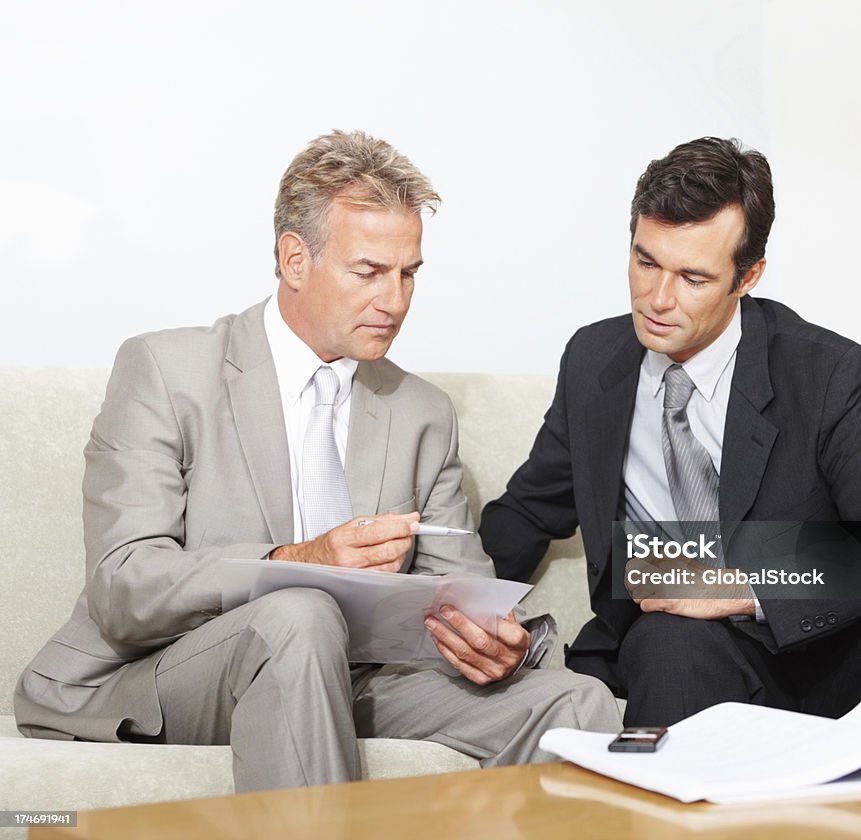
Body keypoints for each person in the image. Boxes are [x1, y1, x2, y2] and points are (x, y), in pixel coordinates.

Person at [14, 130, 620, 791]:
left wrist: (499, 642)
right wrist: (299, 563)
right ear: (294, 260)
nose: (394, 300)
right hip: (173, 670)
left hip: (355, 676)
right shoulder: (166, 369)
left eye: (408, 273)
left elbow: (461, 590)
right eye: (368, 271)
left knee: (578, 702)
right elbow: (125, 588)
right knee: (296, 616)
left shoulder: (422, 411)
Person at [479, 136, 861, 727]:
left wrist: (746, 582)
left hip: (834, 648)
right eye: (646, 260)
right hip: (688, 650)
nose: (657, 299)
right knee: (668, 640)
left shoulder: (826, 371)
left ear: (747, 276)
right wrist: (450, 603)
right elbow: (526, 515)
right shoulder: (593, 362)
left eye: (693, 278)